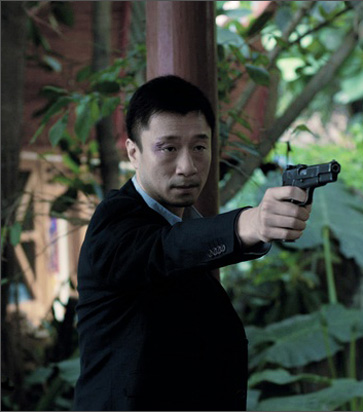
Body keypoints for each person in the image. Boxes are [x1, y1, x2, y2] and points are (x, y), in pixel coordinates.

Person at [73, 75, 312, 411]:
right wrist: (252, 222)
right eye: (168, 148)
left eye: (199, 147)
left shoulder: (185, 221)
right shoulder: (114, 222)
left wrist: (258, 231)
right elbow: (167, 249)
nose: (187, 167)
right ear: (133, 153)